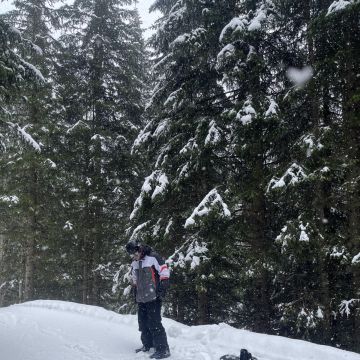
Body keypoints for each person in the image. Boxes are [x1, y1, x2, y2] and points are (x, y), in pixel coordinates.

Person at [126, 240, 171, 359]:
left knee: (154, 323)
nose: (133, 257)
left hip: (153, 297)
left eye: (135, 254)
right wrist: (135, 291)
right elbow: (135, 279)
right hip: (141, 298)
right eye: (131, 255)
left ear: (139, 249)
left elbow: (164, 271)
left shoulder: (153, 257)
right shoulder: (135, 263)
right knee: (143, 323)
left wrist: (163, 286)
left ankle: (163, 349)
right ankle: (148, 345)